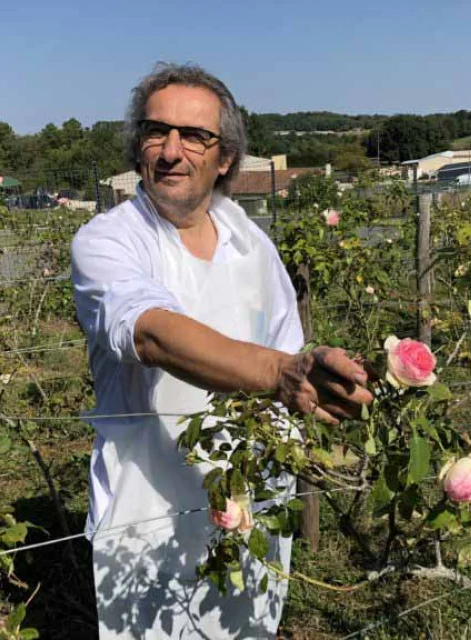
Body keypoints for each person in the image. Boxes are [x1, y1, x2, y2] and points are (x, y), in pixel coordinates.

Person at [71, 62, 373, 640]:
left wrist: (318, 377)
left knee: (250, 627)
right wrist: (280, 373)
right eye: (156, 131)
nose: (170, 151)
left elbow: (288, 342)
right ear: (138, 145)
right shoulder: (109, 240)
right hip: (150, 511)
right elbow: (151, 332)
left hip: (250, 503)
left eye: (194, 136)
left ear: (225, 157)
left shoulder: (249, 241)